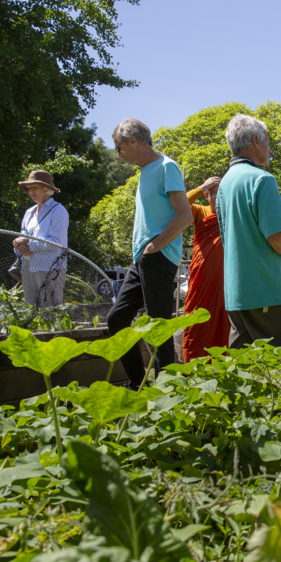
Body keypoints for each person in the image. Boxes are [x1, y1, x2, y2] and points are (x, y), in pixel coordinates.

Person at [106, 118, 194, 389]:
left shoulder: (166, 167)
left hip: (158, 256)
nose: (118, 155)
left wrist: (155, 245)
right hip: (141, 258)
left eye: (119, 148)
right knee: (117, 319)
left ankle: (167, 391)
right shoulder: (145, 171)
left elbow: (185, 215)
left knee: (159, 327)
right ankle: (136, 383)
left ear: (133, 141)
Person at [215, 114, 281, 348]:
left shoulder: (225, 183)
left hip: (237, 294)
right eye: (267, 141)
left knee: (245, 375)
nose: (269, 148)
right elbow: (277, 238)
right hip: (268, 293)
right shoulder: (262, 179)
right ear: (256, 140)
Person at [182, 176, 231, 360]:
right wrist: (202, 185)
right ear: (206, 195)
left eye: (222, 195)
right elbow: (180, 204)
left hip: (226, 283)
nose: (219, 199)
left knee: (225, 329)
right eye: (214, 194)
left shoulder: (231, 215)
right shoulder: (200, 212)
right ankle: (193, 377)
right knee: (197, 327)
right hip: (202, 282)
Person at [13, 172, 69, 307]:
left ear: (46, 188)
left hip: (50, 268)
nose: (31, 191)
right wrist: (17, 244)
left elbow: (56, 243)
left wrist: (28, 243)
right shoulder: (29, 212)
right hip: (28, 266)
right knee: (30, 308)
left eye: (35, 187)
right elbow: (23, 236)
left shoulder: (58, 210)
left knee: (50, 309)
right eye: (29, 188)